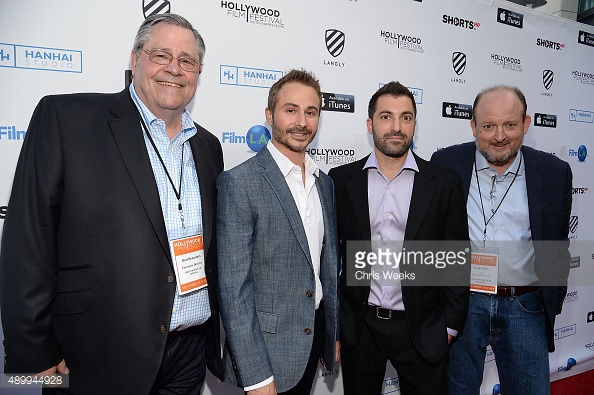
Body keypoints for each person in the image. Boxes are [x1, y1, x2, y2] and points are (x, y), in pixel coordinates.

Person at [0, 13, 223, 394]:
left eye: (187, 61)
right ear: (135, 59)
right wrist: (31, 354)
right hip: (94, 358)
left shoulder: (208, 146)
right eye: (161, 55)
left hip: (189, 356)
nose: (174, 68)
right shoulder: (65, 119)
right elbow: (29, 240)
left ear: (198, 72)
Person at [328, 81, 470, 394]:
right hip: (361, 327)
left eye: (405, 117)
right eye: (386, 117)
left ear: (415, 125)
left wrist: (448, 325)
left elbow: (457, 256)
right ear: (370, 124)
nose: (396, 126)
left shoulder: (443, 182)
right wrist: (335, 324)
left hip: (423, 327)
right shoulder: (341, 180)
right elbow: (329, 259)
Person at [431, 85, 572, 394]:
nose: (499, 136)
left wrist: (554, 298)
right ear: (473, 127)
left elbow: (559, 244)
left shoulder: (554, 173)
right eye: (488, 126)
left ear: (526, 124)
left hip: (526, 305)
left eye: (510, 124)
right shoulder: (445, 163)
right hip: (463, 304)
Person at [216, 69, 339, 395]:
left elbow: (325, 267)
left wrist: (332, 335)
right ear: (270, 115)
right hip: (266, 352)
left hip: (313, 342)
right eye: (291, 110)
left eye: (311, 112)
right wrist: (256, 376)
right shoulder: (240, 183)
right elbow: (234, 290)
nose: (302, 121)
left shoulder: (323, 183)